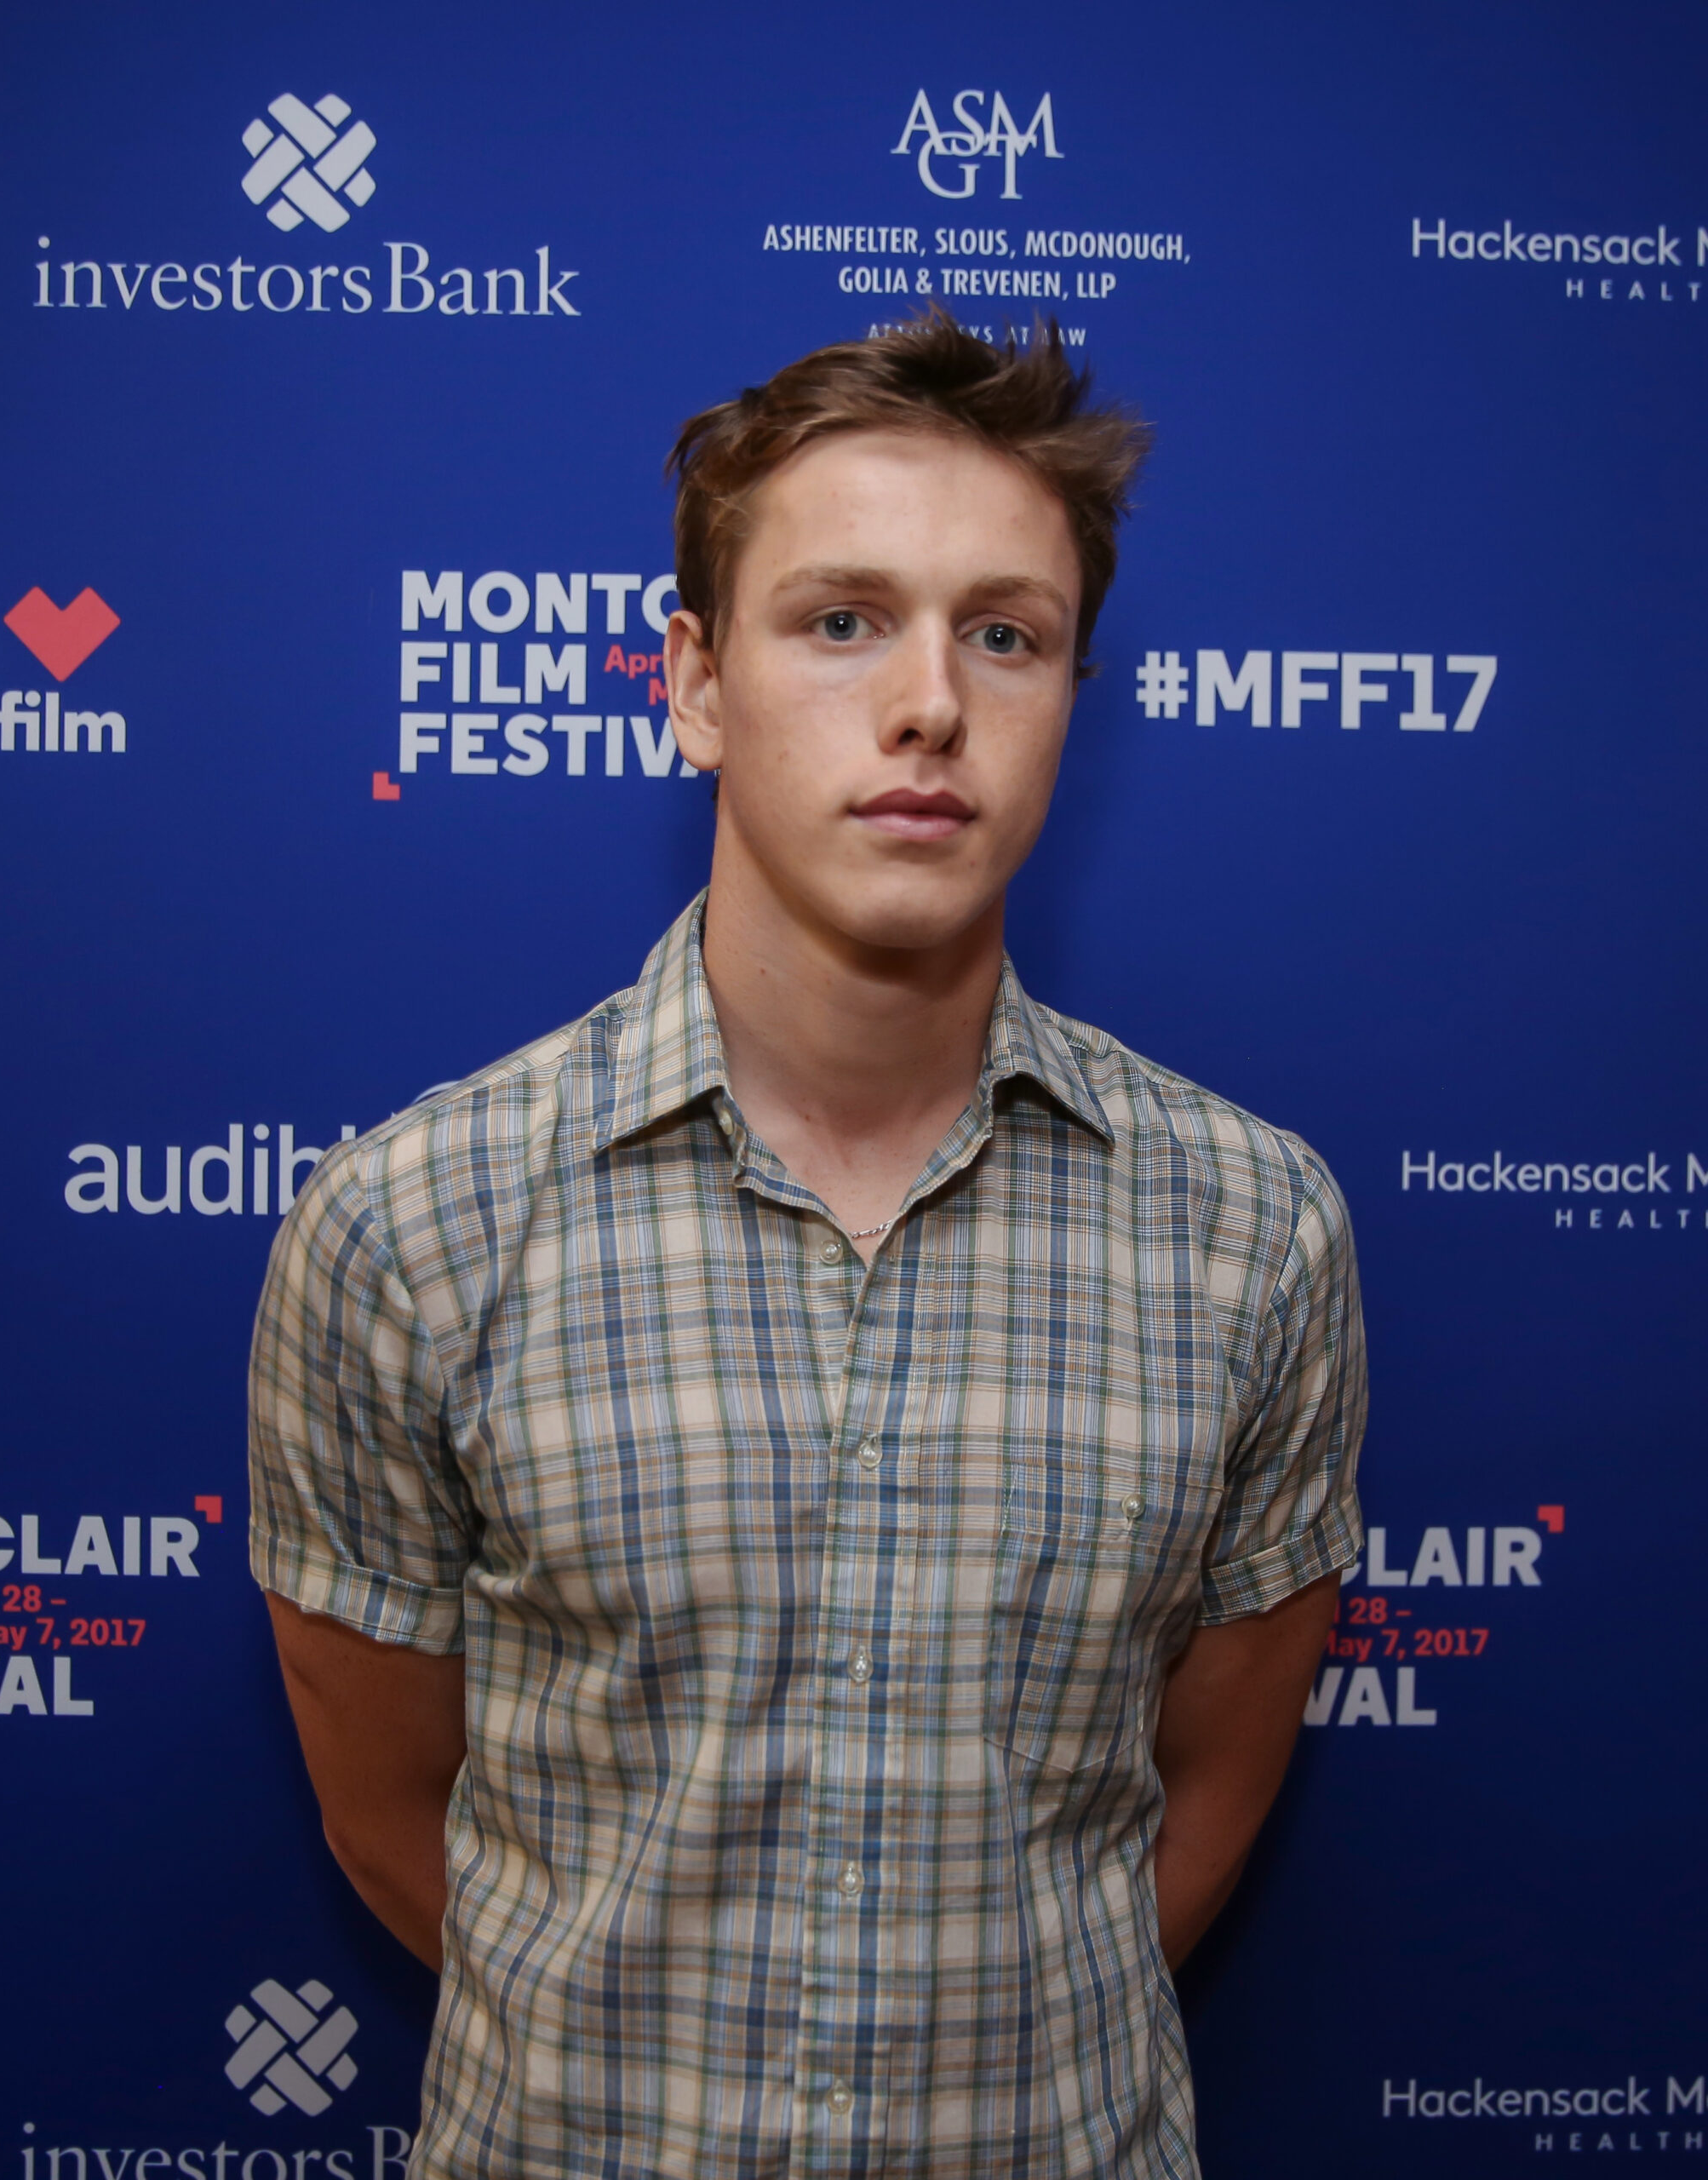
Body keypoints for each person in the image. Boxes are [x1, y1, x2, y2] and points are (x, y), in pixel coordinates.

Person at [249, 308, 1365, 2180]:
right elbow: (387, 1807)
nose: (927, 699)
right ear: (692, 682)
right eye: (839, 619)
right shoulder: (410, 1223)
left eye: (1001, 633)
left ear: (1069, 695)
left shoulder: (1249, 1231)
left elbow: (1213, 1776)